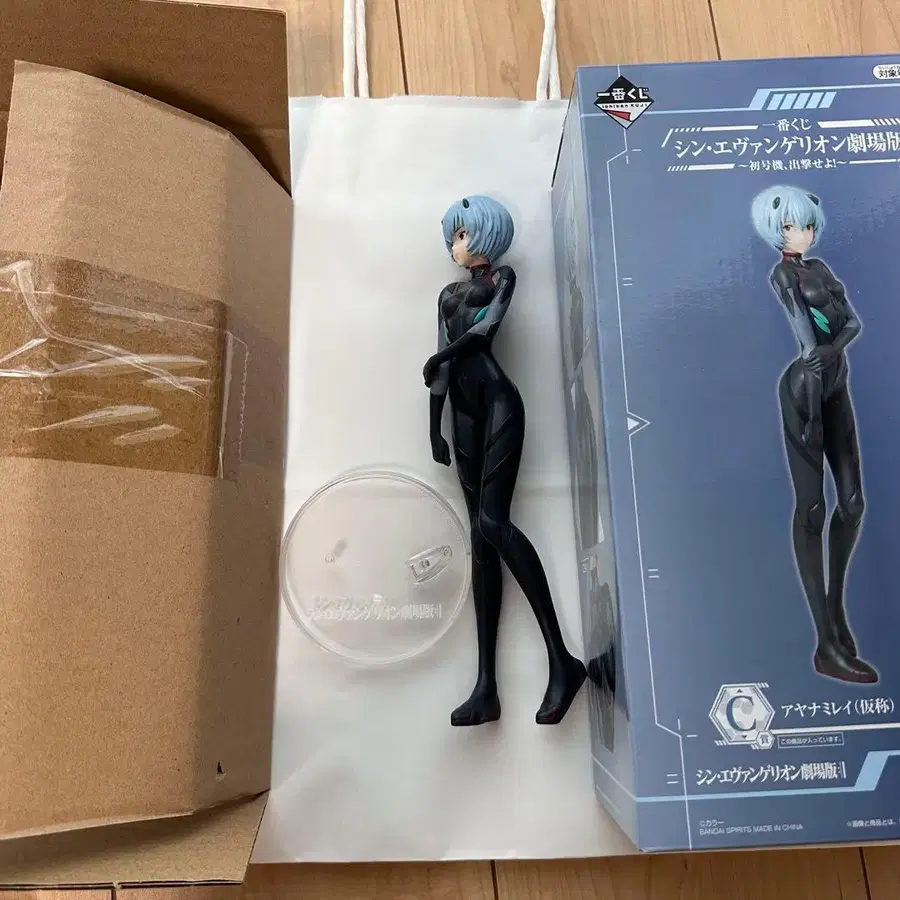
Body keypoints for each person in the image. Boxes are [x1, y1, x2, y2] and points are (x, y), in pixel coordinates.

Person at [423, 194, 587, 725]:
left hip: (498, 405)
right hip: (463, 416)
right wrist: (433, 427)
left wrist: (440, 356)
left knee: (493, 522)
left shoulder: (503, 278)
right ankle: (486, 688)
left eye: (462, 234)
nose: (455, 244)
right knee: (479, 537)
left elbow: (484, 332)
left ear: (486, 233)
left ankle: (562, 661)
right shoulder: (447, 294)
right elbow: (440, 375)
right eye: (451, 235)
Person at [751, 185, 876, 684]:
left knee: (853, 503)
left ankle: (836, 615)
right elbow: (806, 336)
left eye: (805, 224)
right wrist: (822, 351)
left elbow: (854, 324)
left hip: (835, 380)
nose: (800, 233)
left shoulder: (820, 268)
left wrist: (832, 349)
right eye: (789, 226)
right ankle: (825, 641)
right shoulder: (783, 274)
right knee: (813, 507)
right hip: (804, 388)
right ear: (776, 231)